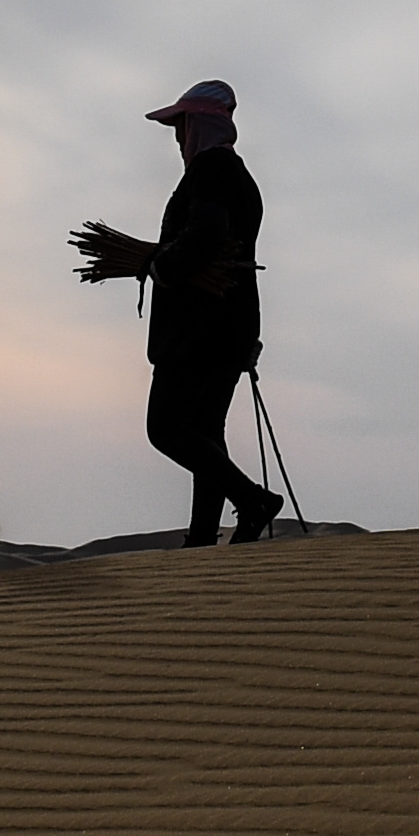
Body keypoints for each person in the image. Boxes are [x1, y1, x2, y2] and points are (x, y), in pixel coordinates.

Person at [98, 80, 281, 548]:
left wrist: (161, 266)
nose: (178, 137)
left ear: (200, 125)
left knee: (166, 428)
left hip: (200, 328)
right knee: (205, 429)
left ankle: (252, 499)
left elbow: (205, 236)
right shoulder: (240, 176)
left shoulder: (210, 169)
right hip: (232, 324)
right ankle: (202, 539)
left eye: (181, 126)